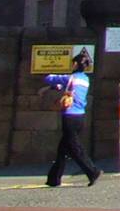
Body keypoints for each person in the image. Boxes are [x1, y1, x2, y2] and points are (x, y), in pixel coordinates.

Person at [41, 50, 101, 188]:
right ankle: (54, 179)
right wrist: (55, 86)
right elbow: (64, 86)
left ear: (75, 64)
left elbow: (49, 78)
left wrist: (49, 84)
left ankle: (93, 172)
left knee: (75, 148)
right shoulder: (85, 79)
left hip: (69, 117)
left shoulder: (71, 78)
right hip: (80, 116)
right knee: (63, 149)